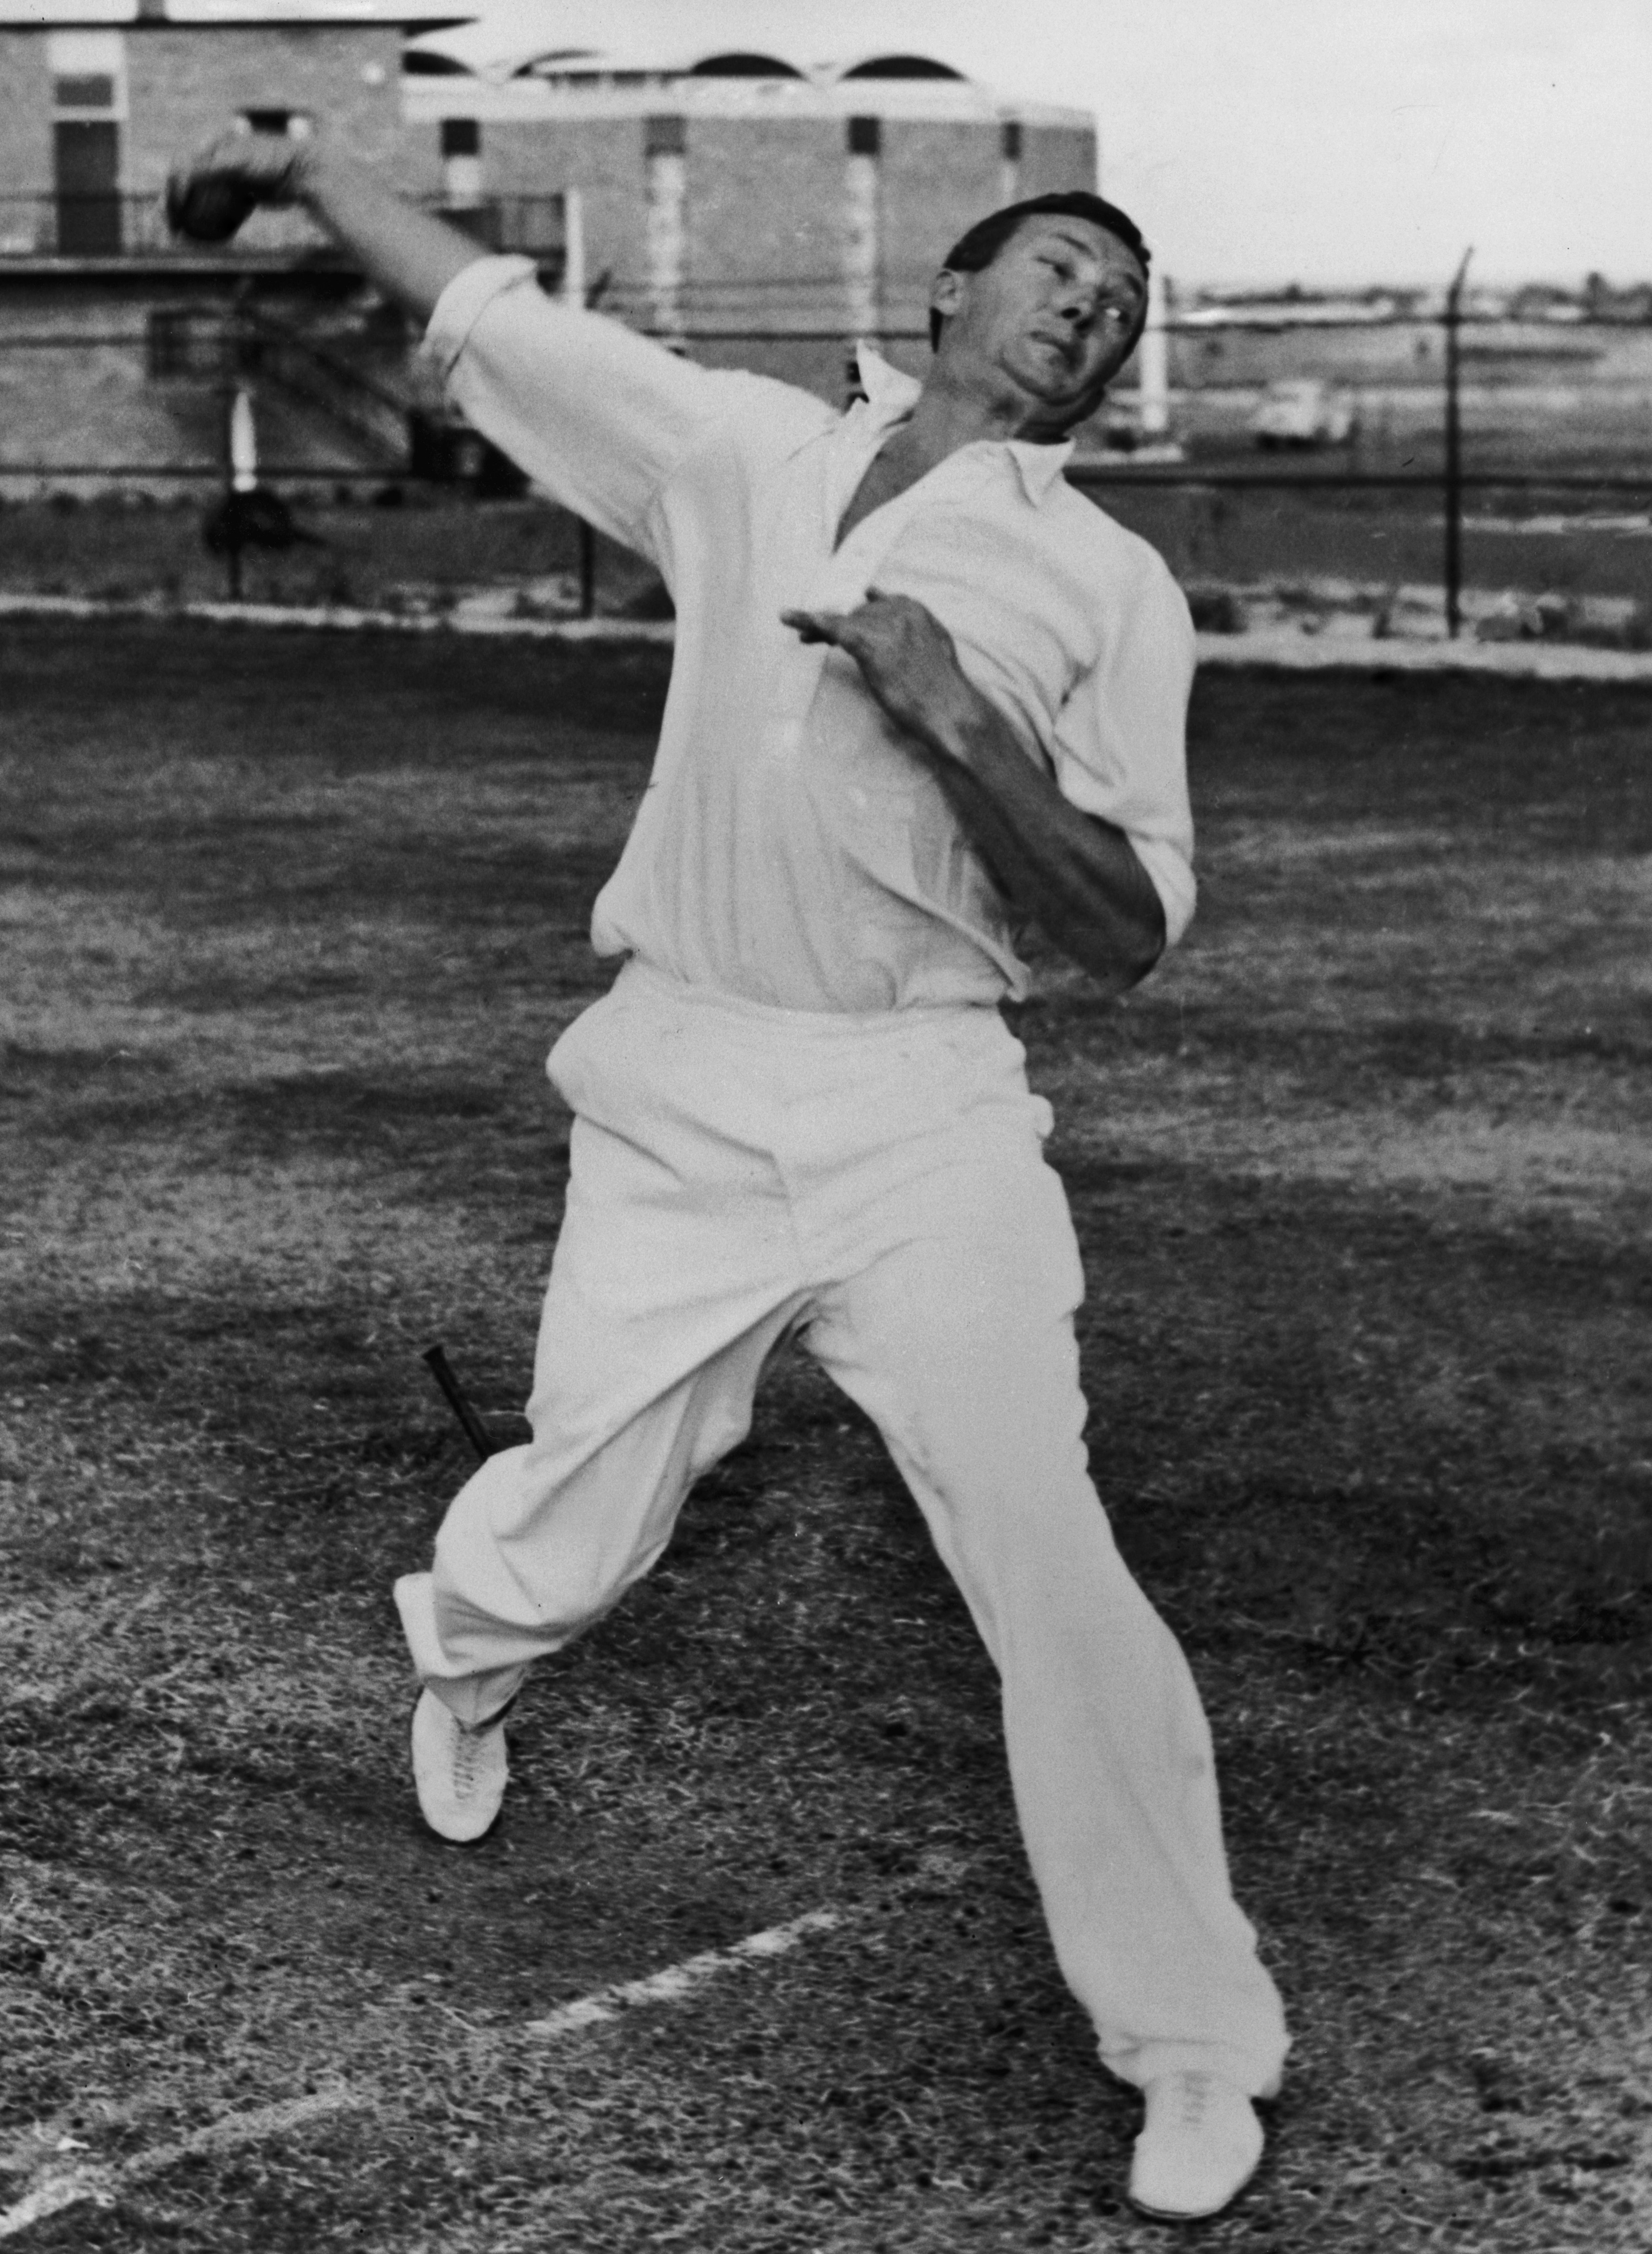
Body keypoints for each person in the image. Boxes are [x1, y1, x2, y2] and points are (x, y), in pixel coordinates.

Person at [169, 129, 1291, 2221]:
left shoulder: (1107, 585)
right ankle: (466, 1641)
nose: (1089, 309)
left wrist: (963, 721)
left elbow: (1132, 928)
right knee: (589, 1498)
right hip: (683, 1073)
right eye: (1058, 268)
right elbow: (496, 312)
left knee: (1045, 1553)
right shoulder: (743, 451)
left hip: (923, 1106)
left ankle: (1199, 2043)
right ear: (951, 300)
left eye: (1119, 306)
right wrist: (316, 172)